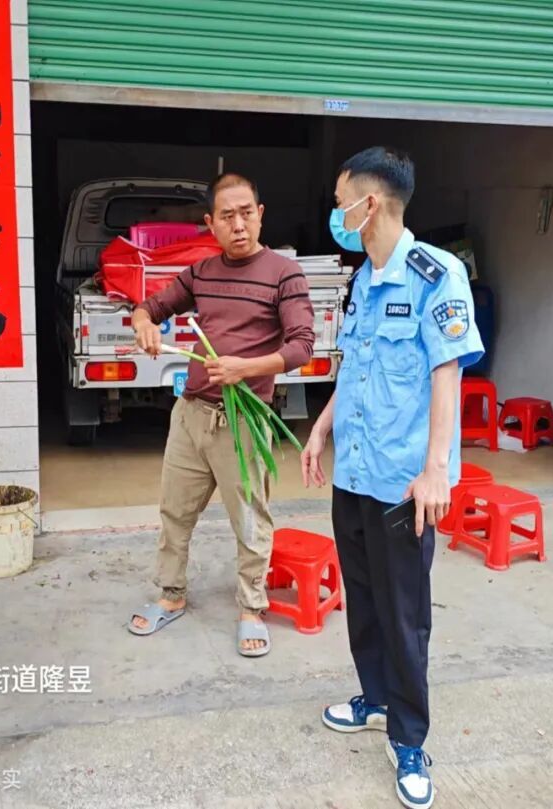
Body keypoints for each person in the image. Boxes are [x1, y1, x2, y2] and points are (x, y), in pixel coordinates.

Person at [301, 148, 483, 809]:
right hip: (355, 472)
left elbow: (446, 372)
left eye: (340, 201)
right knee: (365, 598)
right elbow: (354, 369)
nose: (337, 213)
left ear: (368, 204)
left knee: (405, 615)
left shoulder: (437, 275)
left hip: (405, 485)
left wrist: (435, 469)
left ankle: (409, 737)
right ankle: (375, 698)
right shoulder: (362, 278)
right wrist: (321, 428)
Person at [127, 173, 315, 657]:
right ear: (210, 223)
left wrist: (244, 368)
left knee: (250, 520)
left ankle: (251, 607)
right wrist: (144, 325)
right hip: (191, 415)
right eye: (227, 216)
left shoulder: (284, 273)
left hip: (244, 420)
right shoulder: (202, 273)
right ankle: (170, 594)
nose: (239, 225)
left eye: (246, 213)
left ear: (260, 214)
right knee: (174, 512)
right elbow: (149, 307)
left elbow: (302, 347)